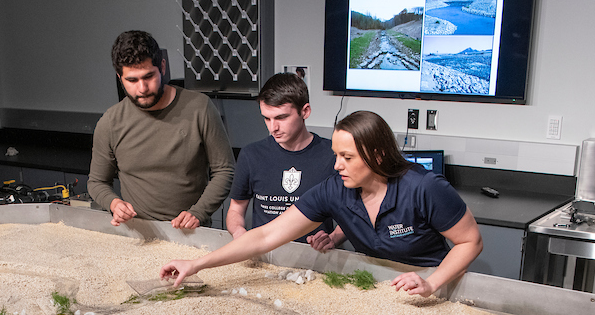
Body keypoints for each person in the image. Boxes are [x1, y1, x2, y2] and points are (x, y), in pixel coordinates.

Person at [162, 110, 483, 297]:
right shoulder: (335, 191)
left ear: (378, 155)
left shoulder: (424, 187)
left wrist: (430, 282)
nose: (338, 165)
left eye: (348, 157)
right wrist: (198, 265)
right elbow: (264, 236)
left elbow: (470, 242)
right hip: (383, 288)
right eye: (336, 156)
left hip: (437, 286)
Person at [88, 30, 236, 229]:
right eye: (131, 80)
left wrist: (199, 212)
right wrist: (114, 204)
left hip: (192, 232)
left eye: (148, 76)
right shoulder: (110, 122)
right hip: (139, 233)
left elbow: (225, 170)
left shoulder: (200, 108)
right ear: (119, 77)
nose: (142, 88)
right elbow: (97, 182)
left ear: (163, 67)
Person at [228, 72, 343, 251]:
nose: (273, 127)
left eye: (281, 118)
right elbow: (235, 209)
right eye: (267, 118)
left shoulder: (333, 156)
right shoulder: (251, 154)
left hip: (314, 257)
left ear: (305, 111)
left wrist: (334, 238)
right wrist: (239, 233)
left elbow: (356, 212)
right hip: (264, 253)